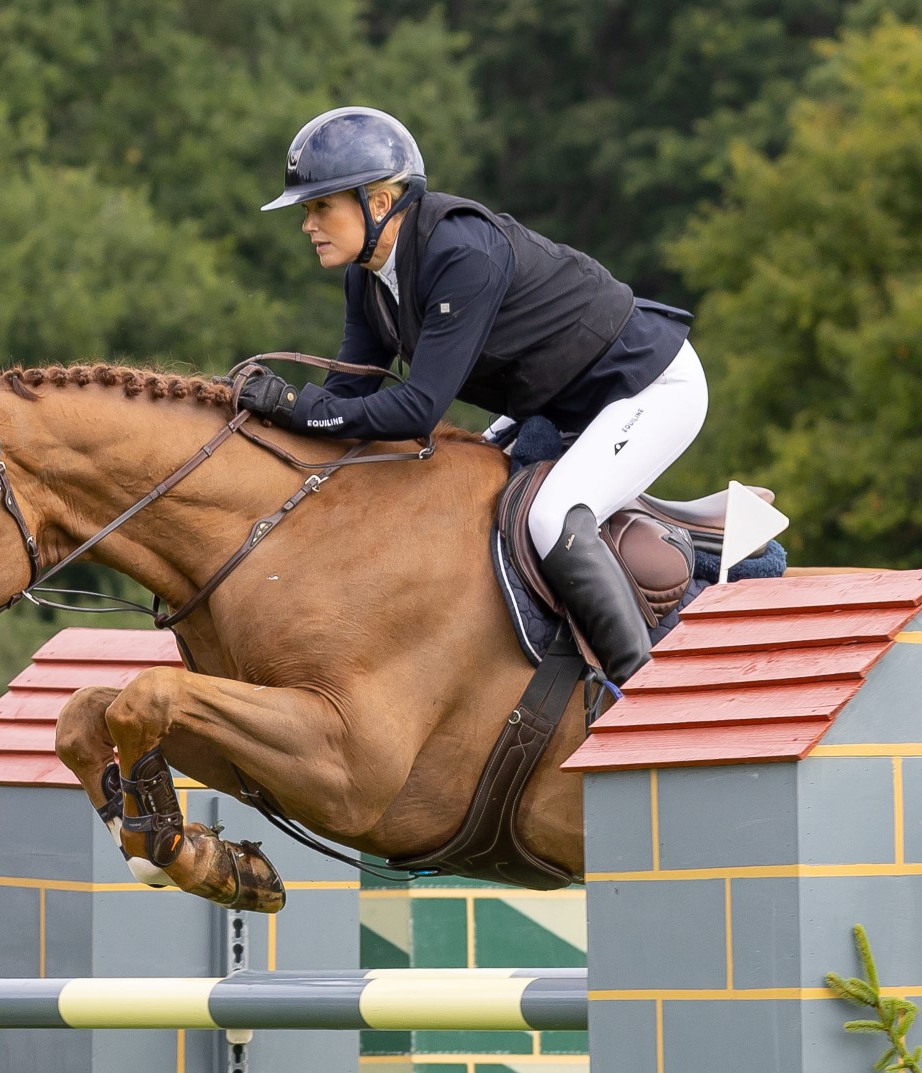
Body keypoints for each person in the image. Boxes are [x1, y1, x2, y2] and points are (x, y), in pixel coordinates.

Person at [239, 106, 708, 686]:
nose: (307, 224)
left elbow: (417, 410)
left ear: (379, 204)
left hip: (647, 384)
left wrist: (294, 406)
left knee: (552, 517)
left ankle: (635, 691)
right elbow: (349, 394)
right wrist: (268, 426)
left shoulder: (461, 252)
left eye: (319, 207)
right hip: (557, 402)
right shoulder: (367, 277)